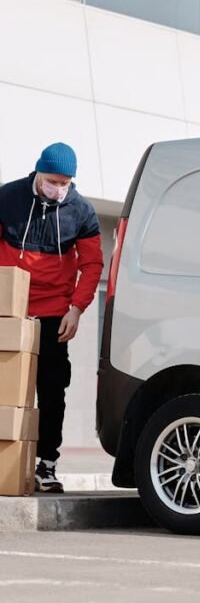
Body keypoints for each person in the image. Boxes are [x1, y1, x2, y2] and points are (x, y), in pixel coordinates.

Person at [0, 143, 103, 493]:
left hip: (54, 312)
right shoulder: (8, 197)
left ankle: (47, 464)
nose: (59, 188)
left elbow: (91, 265)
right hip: (10, 308)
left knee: (52, 388)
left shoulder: (83, 211)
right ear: (38, 173)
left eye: (65, 182)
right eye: (52, 181)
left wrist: (76, 308)